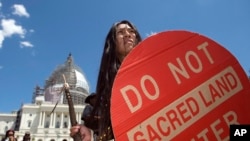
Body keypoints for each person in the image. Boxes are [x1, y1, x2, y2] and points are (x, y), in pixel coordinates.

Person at [70, 20, 142, 141]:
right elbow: (117, 129)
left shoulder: (153, 65)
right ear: (113, 42)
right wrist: (91, 135)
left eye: (131, 31)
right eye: (121, 32)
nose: (128, 34)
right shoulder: (110, 87)